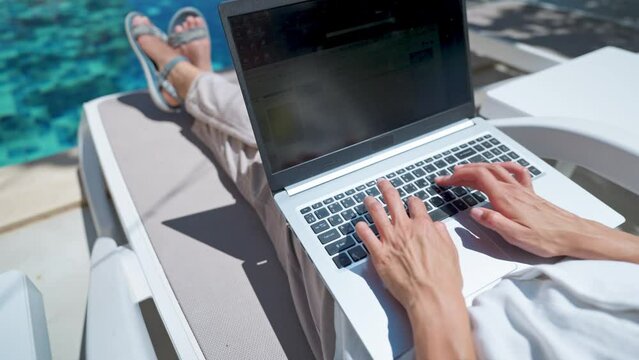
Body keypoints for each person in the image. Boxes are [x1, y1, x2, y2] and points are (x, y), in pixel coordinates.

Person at [128, 12, 639, 360]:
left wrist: (431, 296)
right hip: (571, 259)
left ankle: (185, 78)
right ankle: (194, 80)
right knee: (318, 138)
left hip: (420, 333)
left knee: (284, 160)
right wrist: (584, 234)